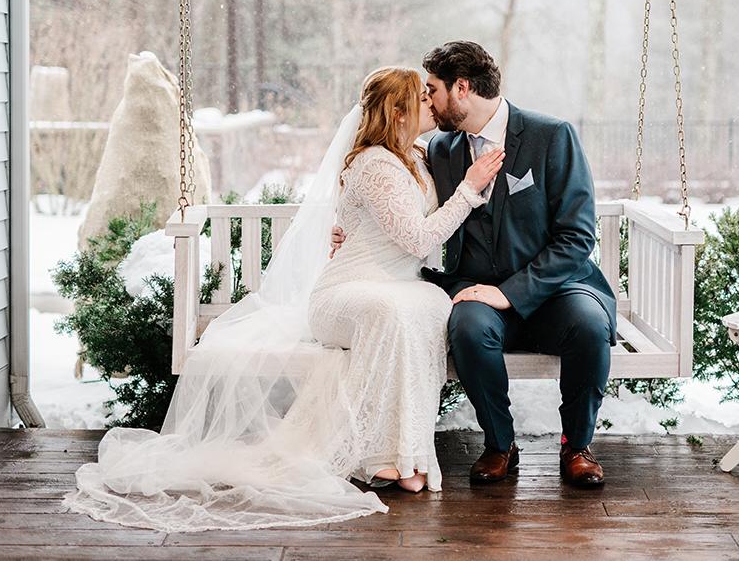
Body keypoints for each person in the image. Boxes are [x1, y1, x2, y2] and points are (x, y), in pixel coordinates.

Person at [64, 66, 503, 532]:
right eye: (422, 98)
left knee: (426, 307)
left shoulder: (416, 155)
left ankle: (409, 453)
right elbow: (417, 238)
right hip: (347, 291)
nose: (431, 103)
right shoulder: (375, 163)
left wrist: (350, 229)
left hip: (397, 286)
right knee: (393, 312)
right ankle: (381, 457)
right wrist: (469, 190)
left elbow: (382, 226)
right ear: (398, 113)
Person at [333, 41, 616, 487]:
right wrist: (350, 230)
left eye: (433, 89)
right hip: (475, 287)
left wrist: (510, 293)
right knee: (466, 327)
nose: (428, 100)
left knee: (588, 326)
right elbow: (395, 199)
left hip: (557, 288)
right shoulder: (438, 149)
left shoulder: (551, 135)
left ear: (461, 88)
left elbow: (577, 237)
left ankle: (577, 445)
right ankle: (500, 444)